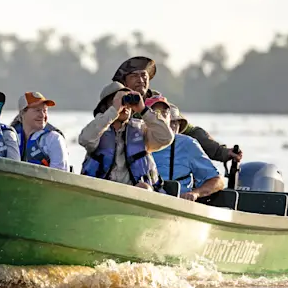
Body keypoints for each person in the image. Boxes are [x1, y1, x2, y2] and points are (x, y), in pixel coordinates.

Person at [111, 56, 243, 164]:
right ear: (125, 82)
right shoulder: (114, 103)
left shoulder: (161, 106)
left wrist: (222, 152)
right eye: (134, 76)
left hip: (152, 166)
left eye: (144, 76)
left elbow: (192, 132)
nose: (141, 80)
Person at [78, 81, 174, 190]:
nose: (125, 106)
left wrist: (143, 110)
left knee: (143, 187)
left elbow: (166, 138)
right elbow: (84, 139)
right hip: (101, 191)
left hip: (135, 194)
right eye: (120, 102)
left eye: (127, 101)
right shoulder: (97, 129)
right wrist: (114, 111)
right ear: (105, 107)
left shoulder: (141, 130)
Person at [146, 98, 225, 201]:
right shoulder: (135, 139)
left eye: (176, 122)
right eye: (158, 116)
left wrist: (195, 193)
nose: (172, 126)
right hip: (144, 197)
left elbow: (218, 181)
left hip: (177, 203)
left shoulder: (187, 144)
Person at [9, 91, 69, 171]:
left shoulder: (54, 139)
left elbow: (61, 175)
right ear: (22, 113)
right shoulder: (10, 136)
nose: (42, 115)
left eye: (45, 111)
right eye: (37, 110)